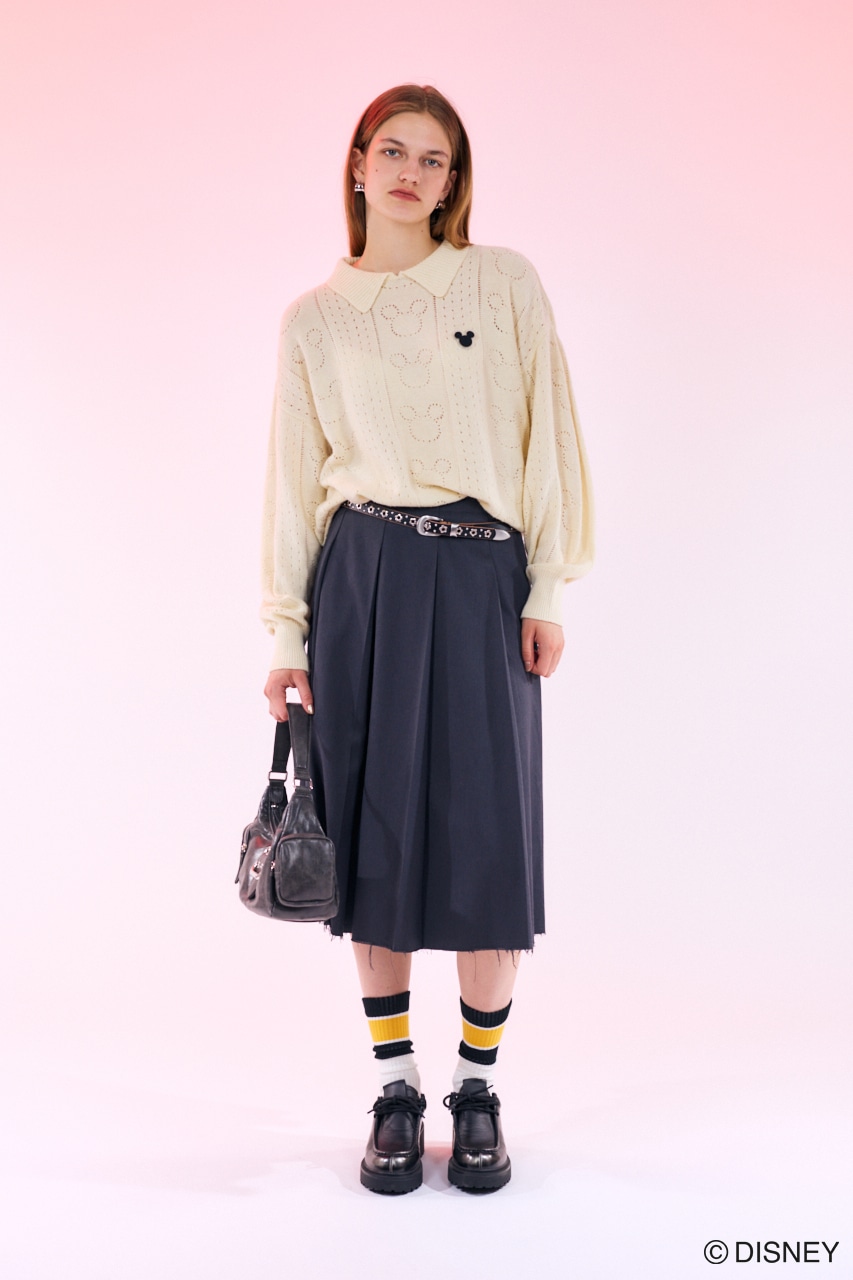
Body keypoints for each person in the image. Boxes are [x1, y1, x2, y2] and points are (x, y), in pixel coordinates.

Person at [260, 84, 594, 1194]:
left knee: (489, 843)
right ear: (357, 164)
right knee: (379, 846)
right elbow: (290, 483)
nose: (411, 173)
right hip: (362, 582)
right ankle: (396, 1090)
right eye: (392, 151)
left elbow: (549, 434)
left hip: (484, 574)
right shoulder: (315, 318)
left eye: (434, 158)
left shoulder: (501, 283)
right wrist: (285, 630)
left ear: (454, 180)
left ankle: (478, 1090)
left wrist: (547, 587)